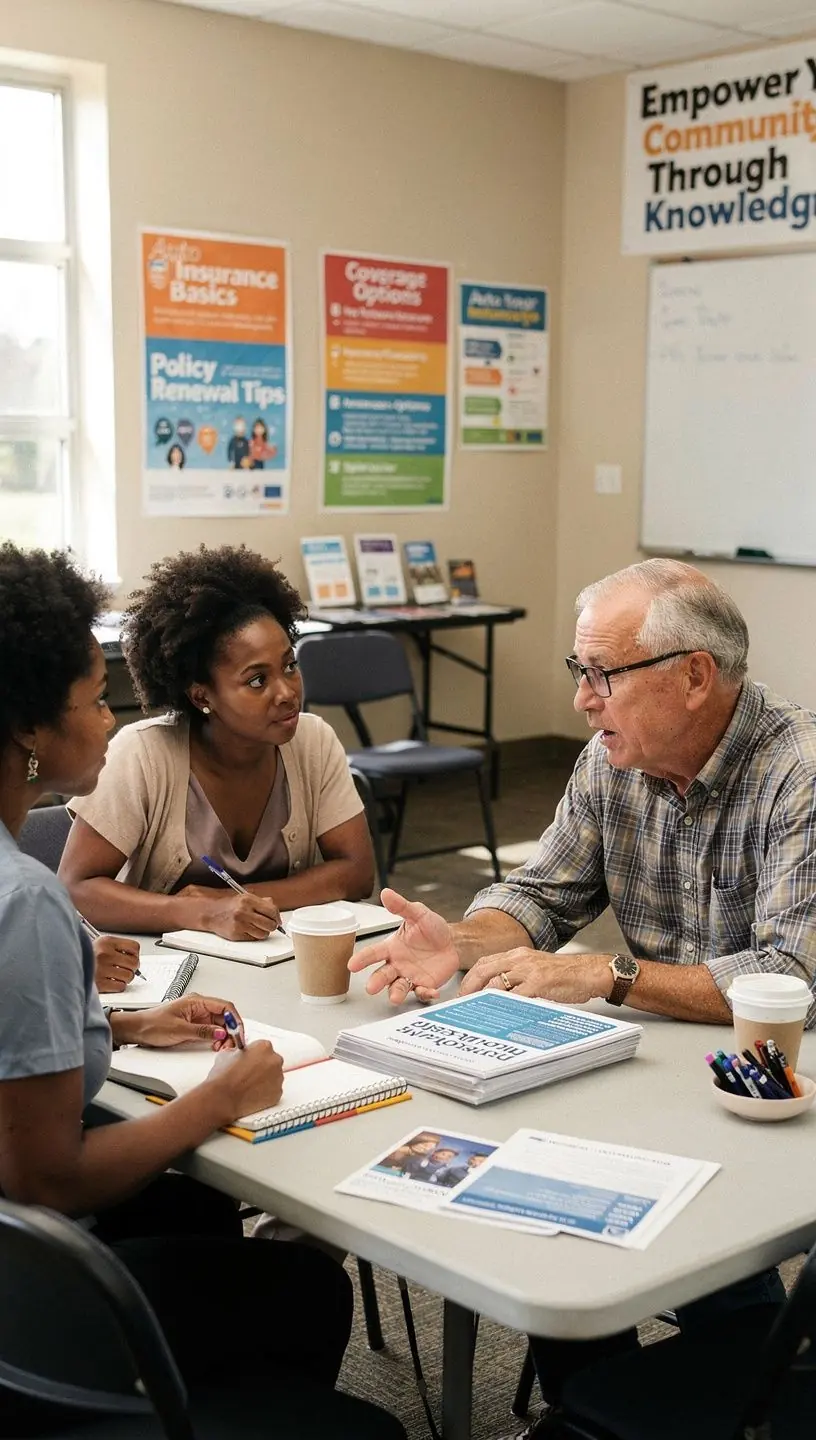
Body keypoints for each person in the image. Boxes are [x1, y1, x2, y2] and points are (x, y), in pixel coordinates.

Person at [352, 559, 803, 1432]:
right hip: (659, 1059)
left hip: (776, 1083)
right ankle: (597, 1406)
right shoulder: (614, 760)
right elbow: (544, 895)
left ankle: (732, 1379)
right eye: (578, 673)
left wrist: (612, 974)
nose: (582, 702)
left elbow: (791, 975)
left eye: (602, 675)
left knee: (712, 1266)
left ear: (694, 676)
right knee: (534, 1202)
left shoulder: (800, 773)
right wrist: (464, 940)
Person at [0, 542, 404, 1440]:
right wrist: (222, 1096)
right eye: (94, 700)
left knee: (196, 1208)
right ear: (31, 726)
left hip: (23, 1280)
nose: (111, 721)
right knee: (303, 1290)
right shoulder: (25, 904)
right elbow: (43, 1179)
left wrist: (135, 1018)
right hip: (36, 1288)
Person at [60, 544, 374, 940]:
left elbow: (357, 872)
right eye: (257, 680)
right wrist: (200, 913)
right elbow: (75, 888)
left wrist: (236, 903)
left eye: (289, 666)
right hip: (174, 983)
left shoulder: (313, 741)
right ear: (202, 696)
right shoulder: (143, 754)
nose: (287, 692)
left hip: (281, 969)